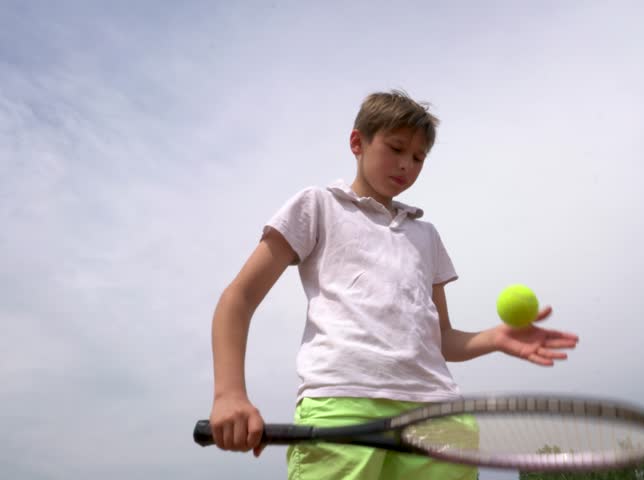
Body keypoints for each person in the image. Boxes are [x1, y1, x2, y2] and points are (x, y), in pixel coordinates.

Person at [207, 90, 580, 480]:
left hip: (439, 411)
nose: (406, 165)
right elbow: (240, 297)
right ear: (358, 142)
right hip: (344, 402)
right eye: (396, 148)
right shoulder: (318, 206)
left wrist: (496, 338)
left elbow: (441, 337)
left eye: (418, 158)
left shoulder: (426, 235)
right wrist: (229, 394)